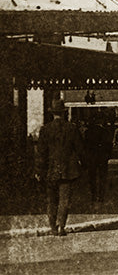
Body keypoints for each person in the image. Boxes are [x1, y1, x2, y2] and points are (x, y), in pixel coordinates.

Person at [35, 99, 84, 236]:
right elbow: (80, 149)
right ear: (64, 113)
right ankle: (61, 225)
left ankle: (52, 227)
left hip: (50, 169)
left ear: (52, 113)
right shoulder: (72, 128)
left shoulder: (45, 130)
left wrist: (39, 170)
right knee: (64, 199)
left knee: (51, 200)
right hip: (68, 169)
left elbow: (41, 153)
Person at [82, 111, 116, 203]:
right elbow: (109, 145)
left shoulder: (88, 132)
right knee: (102, 178)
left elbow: (85, 146)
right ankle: (101, 196)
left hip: (92, 158)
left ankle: (93, 195)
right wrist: (108, 156)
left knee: (92, 177)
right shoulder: (105, 131)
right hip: (102, 158)